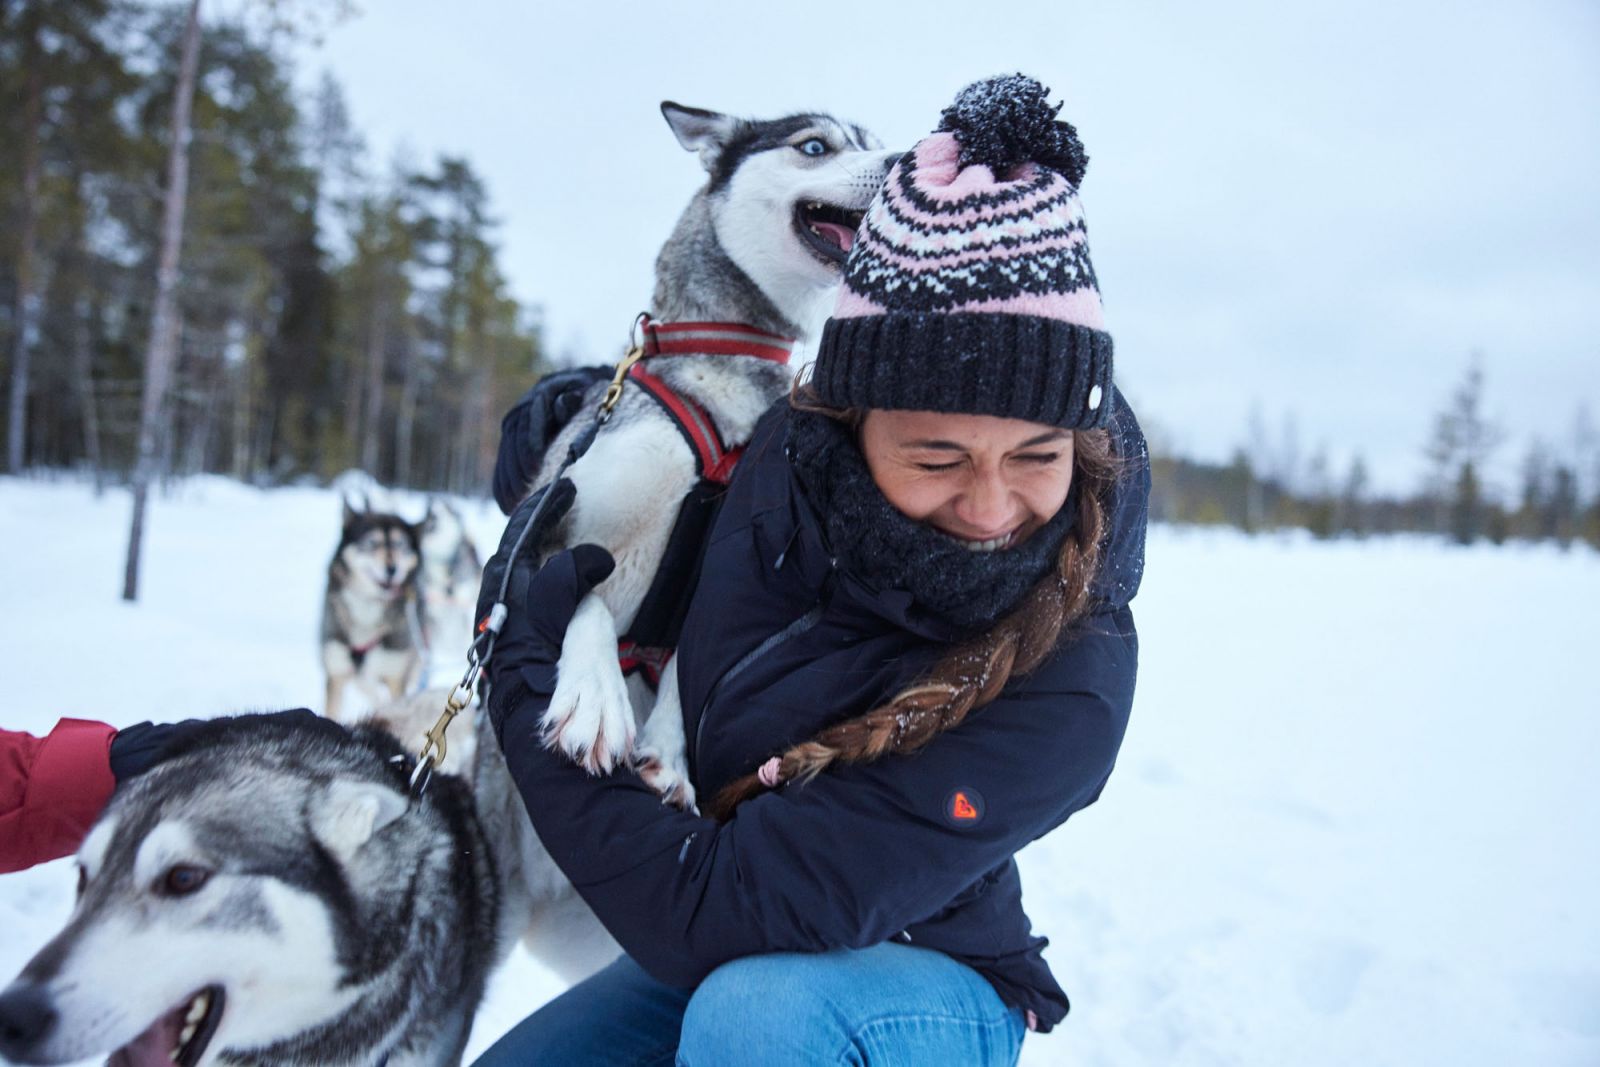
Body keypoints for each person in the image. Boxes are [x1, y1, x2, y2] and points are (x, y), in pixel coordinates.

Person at [475, 74, 1149, 1067]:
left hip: (916, 972)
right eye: (936, 458)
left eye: (1037, 455)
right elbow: (679, 451)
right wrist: (589, 414)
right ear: (849, 419)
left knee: (757, 1021)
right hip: (716, 931)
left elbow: (724, 910)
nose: (991, 506)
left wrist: (527, 693)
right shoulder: (778, 464)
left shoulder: (1075, 673)